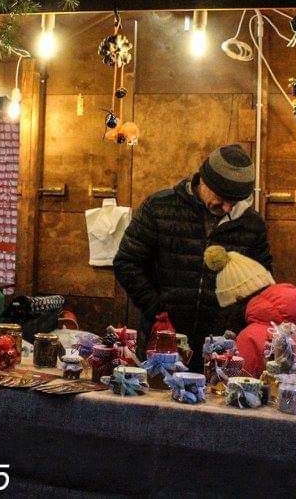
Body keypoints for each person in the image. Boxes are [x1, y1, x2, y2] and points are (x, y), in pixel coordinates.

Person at [113, 144, 272, 371]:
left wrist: (236, 322)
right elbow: (127, 262)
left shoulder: (252, 224)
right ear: (203, 181)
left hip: (221, 348)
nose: (227, 207)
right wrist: (156, 308)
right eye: (221, 197)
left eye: (234, 202)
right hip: (163, 338)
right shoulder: (159, 207)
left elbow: (263, 282)